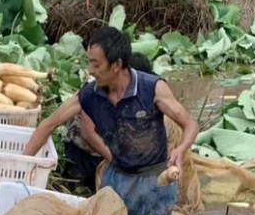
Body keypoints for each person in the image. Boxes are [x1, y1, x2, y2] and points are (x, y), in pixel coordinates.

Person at [78, 27, 198, 215]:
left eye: (96, 64)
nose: (91, 70)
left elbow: (190, 125)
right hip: (116, 180)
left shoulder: (152, 88)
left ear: (116, 65)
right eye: (89, 62)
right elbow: (71, 129)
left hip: (154, 184)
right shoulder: (90, 94)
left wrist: (180, 149)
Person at [23, 52, 158, 193]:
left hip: (107, 154)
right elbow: (84, 133)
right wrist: (22, 163)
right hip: (80, 154)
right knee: (81, 192)